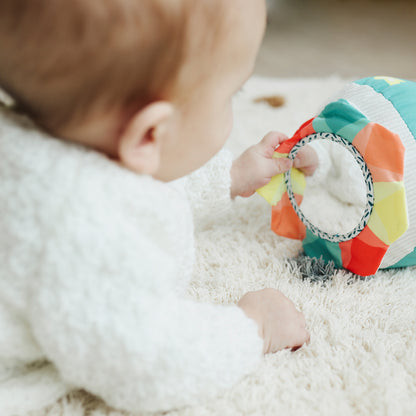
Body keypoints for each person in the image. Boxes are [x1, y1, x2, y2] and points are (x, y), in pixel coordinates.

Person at [0, 0, 309, 413]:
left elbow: (140, 180)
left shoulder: (41, 142)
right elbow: (148, 363)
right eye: (232, 92)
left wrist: (231, 174)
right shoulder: (81, 232)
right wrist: (253, 328)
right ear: (149, 135)